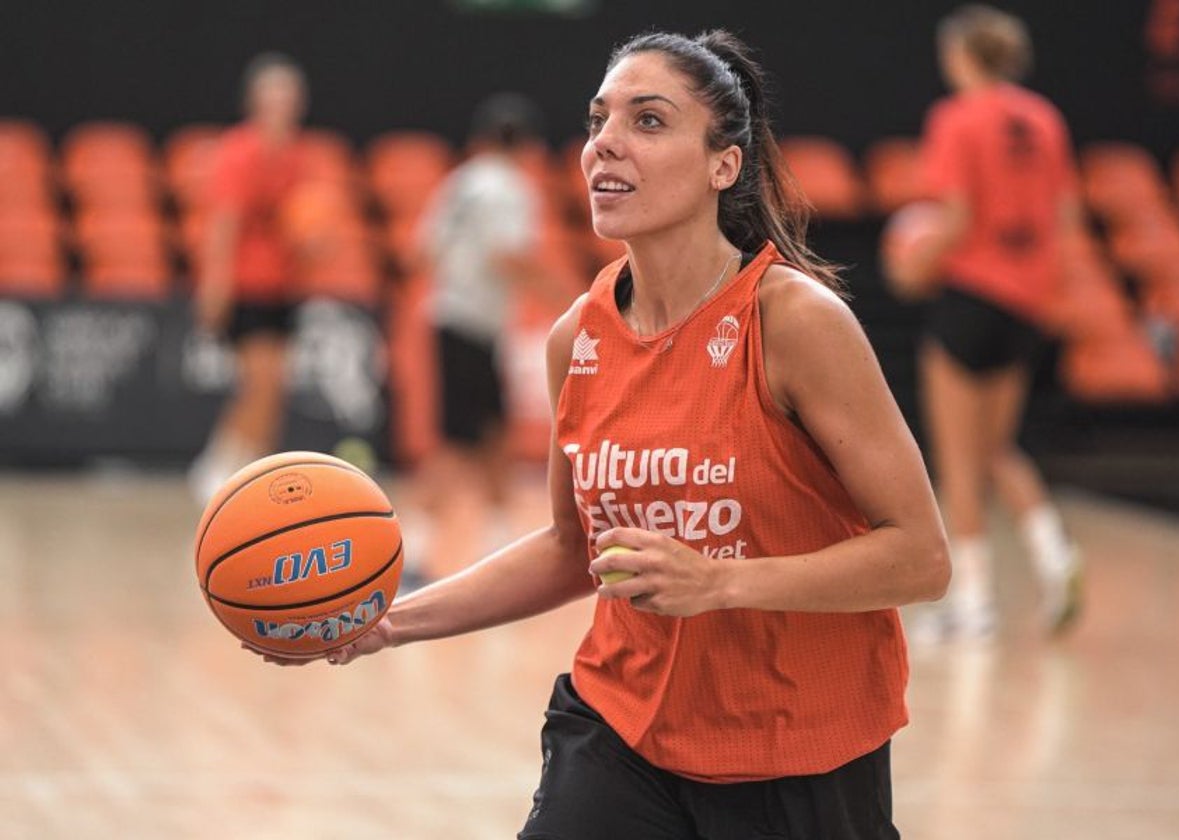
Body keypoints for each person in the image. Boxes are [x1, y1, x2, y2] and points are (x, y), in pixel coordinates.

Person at [259, 30, 949, 839]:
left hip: (797, 748)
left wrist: (722, 583)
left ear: (723, 164)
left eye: (648, 122)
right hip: (623, 729)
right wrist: (385, 625)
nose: (604, 145)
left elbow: (920, 558)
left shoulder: (794, 322)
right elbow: (568, 546)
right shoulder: (575, 337)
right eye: (597, 121)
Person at [886, 4, 1084, 640]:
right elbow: (1066, 217)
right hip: (1027, 301)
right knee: (997, 447)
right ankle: (1057, 556)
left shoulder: (957, 117)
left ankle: (973, 605)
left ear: (963, 56)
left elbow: (958, 215)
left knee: (958, 460)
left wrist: (917, 269)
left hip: (971, 294)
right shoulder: (1046, 118)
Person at [411, 92, 575, 580]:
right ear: (527, 146)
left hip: (449, 315)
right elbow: (506, 255)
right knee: (459, 441)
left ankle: (500, 539)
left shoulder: (458, 183)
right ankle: (417, 547)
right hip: (473, 323)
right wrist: (567, 294)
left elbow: (423, 253)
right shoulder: (509, 188)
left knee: (490, 432)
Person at [189, 53, 308, 503]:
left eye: (289, 98)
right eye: (274, 97)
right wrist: (215, 287)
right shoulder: (238, 153)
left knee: (275, 387)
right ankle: (220, 467)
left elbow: (299, 223)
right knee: (259, 382)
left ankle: (253, 469)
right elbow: (224, 225)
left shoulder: (297, 156)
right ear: (255, 102)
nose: (283, 106)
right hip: (247, 285)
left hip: (283, 287)